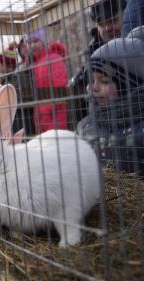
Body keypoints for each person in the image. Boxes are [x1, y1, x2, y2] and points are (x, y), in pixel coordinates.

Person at [77, 26, 144, 176]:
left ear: (128, 87)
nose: (94, 88)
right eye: (91, 80)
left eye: (104, 81)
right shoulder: (86, 126)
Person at [71, 0, 127, 90]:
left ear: (126, 17)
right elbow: (80, 78)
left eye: (113, 20)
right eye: (101, 24)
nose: (107, 28)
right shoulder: (94, 50)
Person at [27, 28, 69, 133]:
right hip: (41, 117)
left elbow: (59, 88)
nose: (32, 45)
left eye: (35, 41)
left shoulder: (54, 59)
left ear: (43, 41)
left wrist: (44, 110)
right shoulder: (34, 63)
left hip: (54, 116)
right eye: (29, 42)